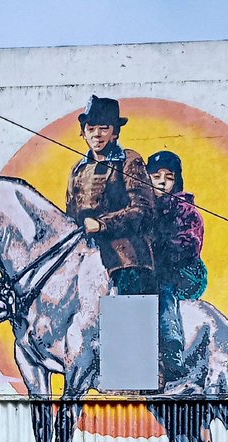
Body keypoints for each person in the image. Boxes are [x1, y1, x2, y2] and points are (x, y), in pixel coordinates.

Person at [66, 95, 155, 297]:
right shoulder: (78, 170)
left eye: (104, 128)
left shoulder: (129, 161)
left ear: (115, 132)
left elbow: (143, 210)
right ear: (83, 133)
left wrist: (102, 225)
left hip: (127, 262)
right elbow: (70, 216)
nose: (97, 134)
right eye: (91, 128)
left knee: (123, 326)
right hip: (86, 262)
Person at [146, 149, 208, 386]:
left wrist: (158, 249)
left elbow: (189, 244)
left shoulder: (184, 210)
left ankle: (172, 349)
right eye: (156, 176)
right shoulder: (144, 208)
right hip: (154, 269)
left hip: (185, 272)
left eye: (169, 177)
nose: (162, 181)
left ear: (177, 180)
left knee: (164, 291)